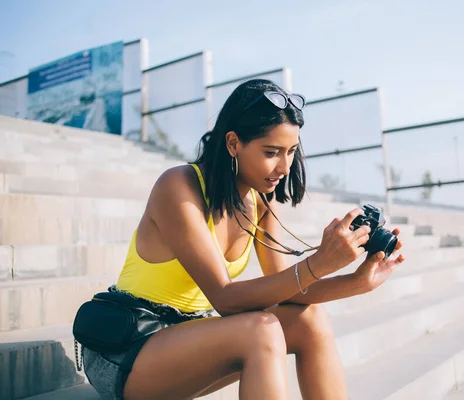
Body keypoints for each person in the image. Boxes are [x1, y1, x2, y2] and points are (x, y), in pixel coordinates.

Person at [78, 79, 405, 400]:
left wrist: (357, 282)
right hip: (128, 349)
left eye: (291, 151)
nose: (283, 166)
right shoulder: (178, 186)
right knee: (260, 329)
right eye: (271, 152)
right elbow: (225, 298)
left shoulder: (260, 202)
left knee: (309, 320)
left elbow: (292, 291)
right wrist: (318, 263)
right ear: (233, 143)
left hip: (190, 342)